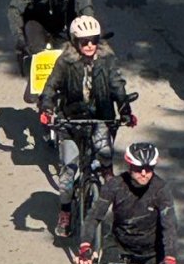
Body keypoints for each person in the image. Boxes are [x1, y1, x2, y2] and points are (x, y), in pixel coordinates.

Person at [38, 16, 137, 238]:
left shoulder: (107, 60)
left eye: (93, 40)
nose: (90, 45)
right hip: (70, 121)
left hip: (100, 118)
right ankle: (65, 212)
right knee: (67, 176)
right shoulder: (65, 62)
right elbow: (51, 87)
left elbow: (117, 86)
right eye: (84, 41)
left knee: (104, 151)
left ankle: (106, 174)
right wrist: (47, 109)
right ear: (75, 42)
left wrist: (125, 111)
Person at [78, 142, 179, 264]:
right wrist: (85, 246)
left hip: (151, 251)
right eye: (139, 169)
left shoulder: (161, 189)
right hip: (119, 244)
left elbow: (170, 226)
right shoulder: (115, 185)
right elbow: (94, 216)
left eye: (149, 168)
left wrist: (170, 258)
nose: (144, 173)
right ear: (129, 166)